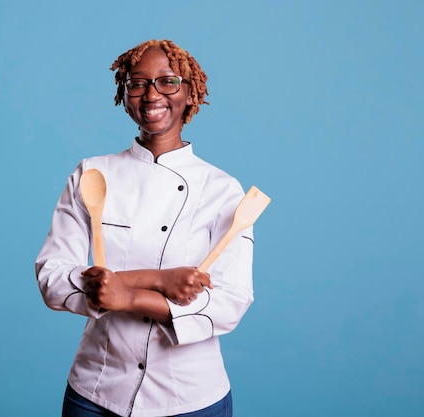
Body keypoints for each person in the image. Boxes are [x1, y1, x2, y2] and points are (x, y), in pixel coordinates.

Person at [35, 39, 255, 417]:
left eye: (168, 81)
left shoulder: (223, 190)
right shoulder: (92, 173)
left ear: (190, 92)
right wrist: (159, 279)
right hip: (96, 392)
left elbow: (229, 304)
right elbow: (52, 280)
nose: (152, 93)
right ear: (124, 94)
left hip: (189, 399)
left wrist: (129, 296)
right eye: (137, 83)